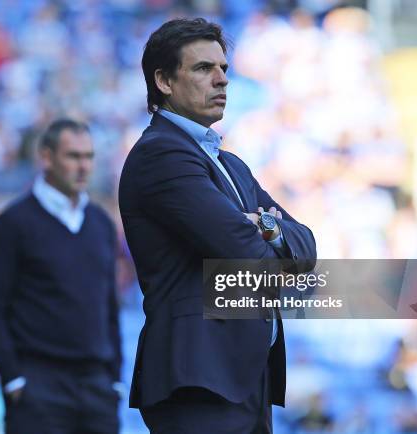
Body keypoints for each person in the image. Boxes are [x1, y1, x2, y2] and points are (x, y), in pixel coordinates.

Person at [118, 18, 317, 433]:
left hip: (242, 379)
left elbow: (308, 247)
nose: (221, 80)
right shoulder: (163, 155)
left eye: (224, 69)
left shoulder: (229, 164)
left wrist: (264, 224)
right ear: (164, 81)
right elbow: (250, 258)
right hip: (199, 380)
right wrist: (269, 236)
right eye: (203, 68)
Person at [0, 119, 122, 434]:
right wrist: (13, 377)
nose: (83, 166)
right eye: (73, 156)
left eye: (89, 157)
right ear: (46, 158)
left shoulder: (101, 224)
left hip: (96, 387)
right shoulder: (12, 225)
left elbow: (109, 307)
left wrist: (115, 380)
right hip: (38, 386)